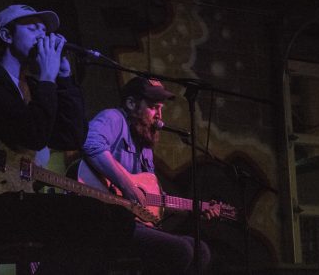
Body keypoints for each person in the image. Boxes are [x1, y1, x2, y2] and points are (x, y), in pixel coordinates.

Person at [0, 4, 135, 275]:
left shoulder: (34, 88)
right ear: (7, 36)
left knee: (121, 220)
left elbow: (73, 136)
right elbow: (32, 135)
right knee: (92, 215)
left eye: (45, 30)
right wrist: (47, 77)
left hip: (16, 204)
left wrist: (65, 78)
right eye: (33, 27)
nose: (43, 34)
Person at [81, 76, 220, 274]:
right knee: (180, 251)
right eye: (154, 107)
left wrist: (194, 208)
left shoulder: (145, 145)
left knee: (201, 251)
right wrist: (127, 186)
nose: (160, 116)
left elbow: (150, 197)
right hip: (108, 221)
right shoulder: (113, 118)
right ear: (131, 103)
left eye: (161, 108)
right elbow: (90, 142)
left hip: (136, 223)